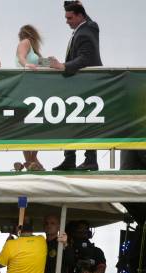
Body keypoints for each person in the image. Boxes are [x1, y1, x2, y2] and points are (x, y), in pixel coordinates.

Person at [49, 1, 102, 172]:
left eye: (70, 17)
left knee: (83, 121)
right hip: (85, 86)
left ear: (80, 16)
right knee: (76, 121)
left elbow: (85, 58)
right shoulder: (90, 26)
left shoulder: (84, 33)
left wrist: (63, 66)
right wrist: (76, 4)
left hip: (84, 86)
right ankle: (73, 159)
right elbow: (90, 20)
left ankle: (86, 160)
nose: (67, 21)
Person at [14, 25, 46, 172]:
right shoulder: (25, 42)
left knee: (31, 126)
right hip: (26, 89)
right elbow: (21, 57)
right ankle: (30, 161)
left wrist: (50, 62)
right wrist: (26, 64)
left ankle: (30, 161)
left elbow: (38, 63)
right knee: (30, 125)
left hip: (32, 90)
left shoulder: (33, 50)